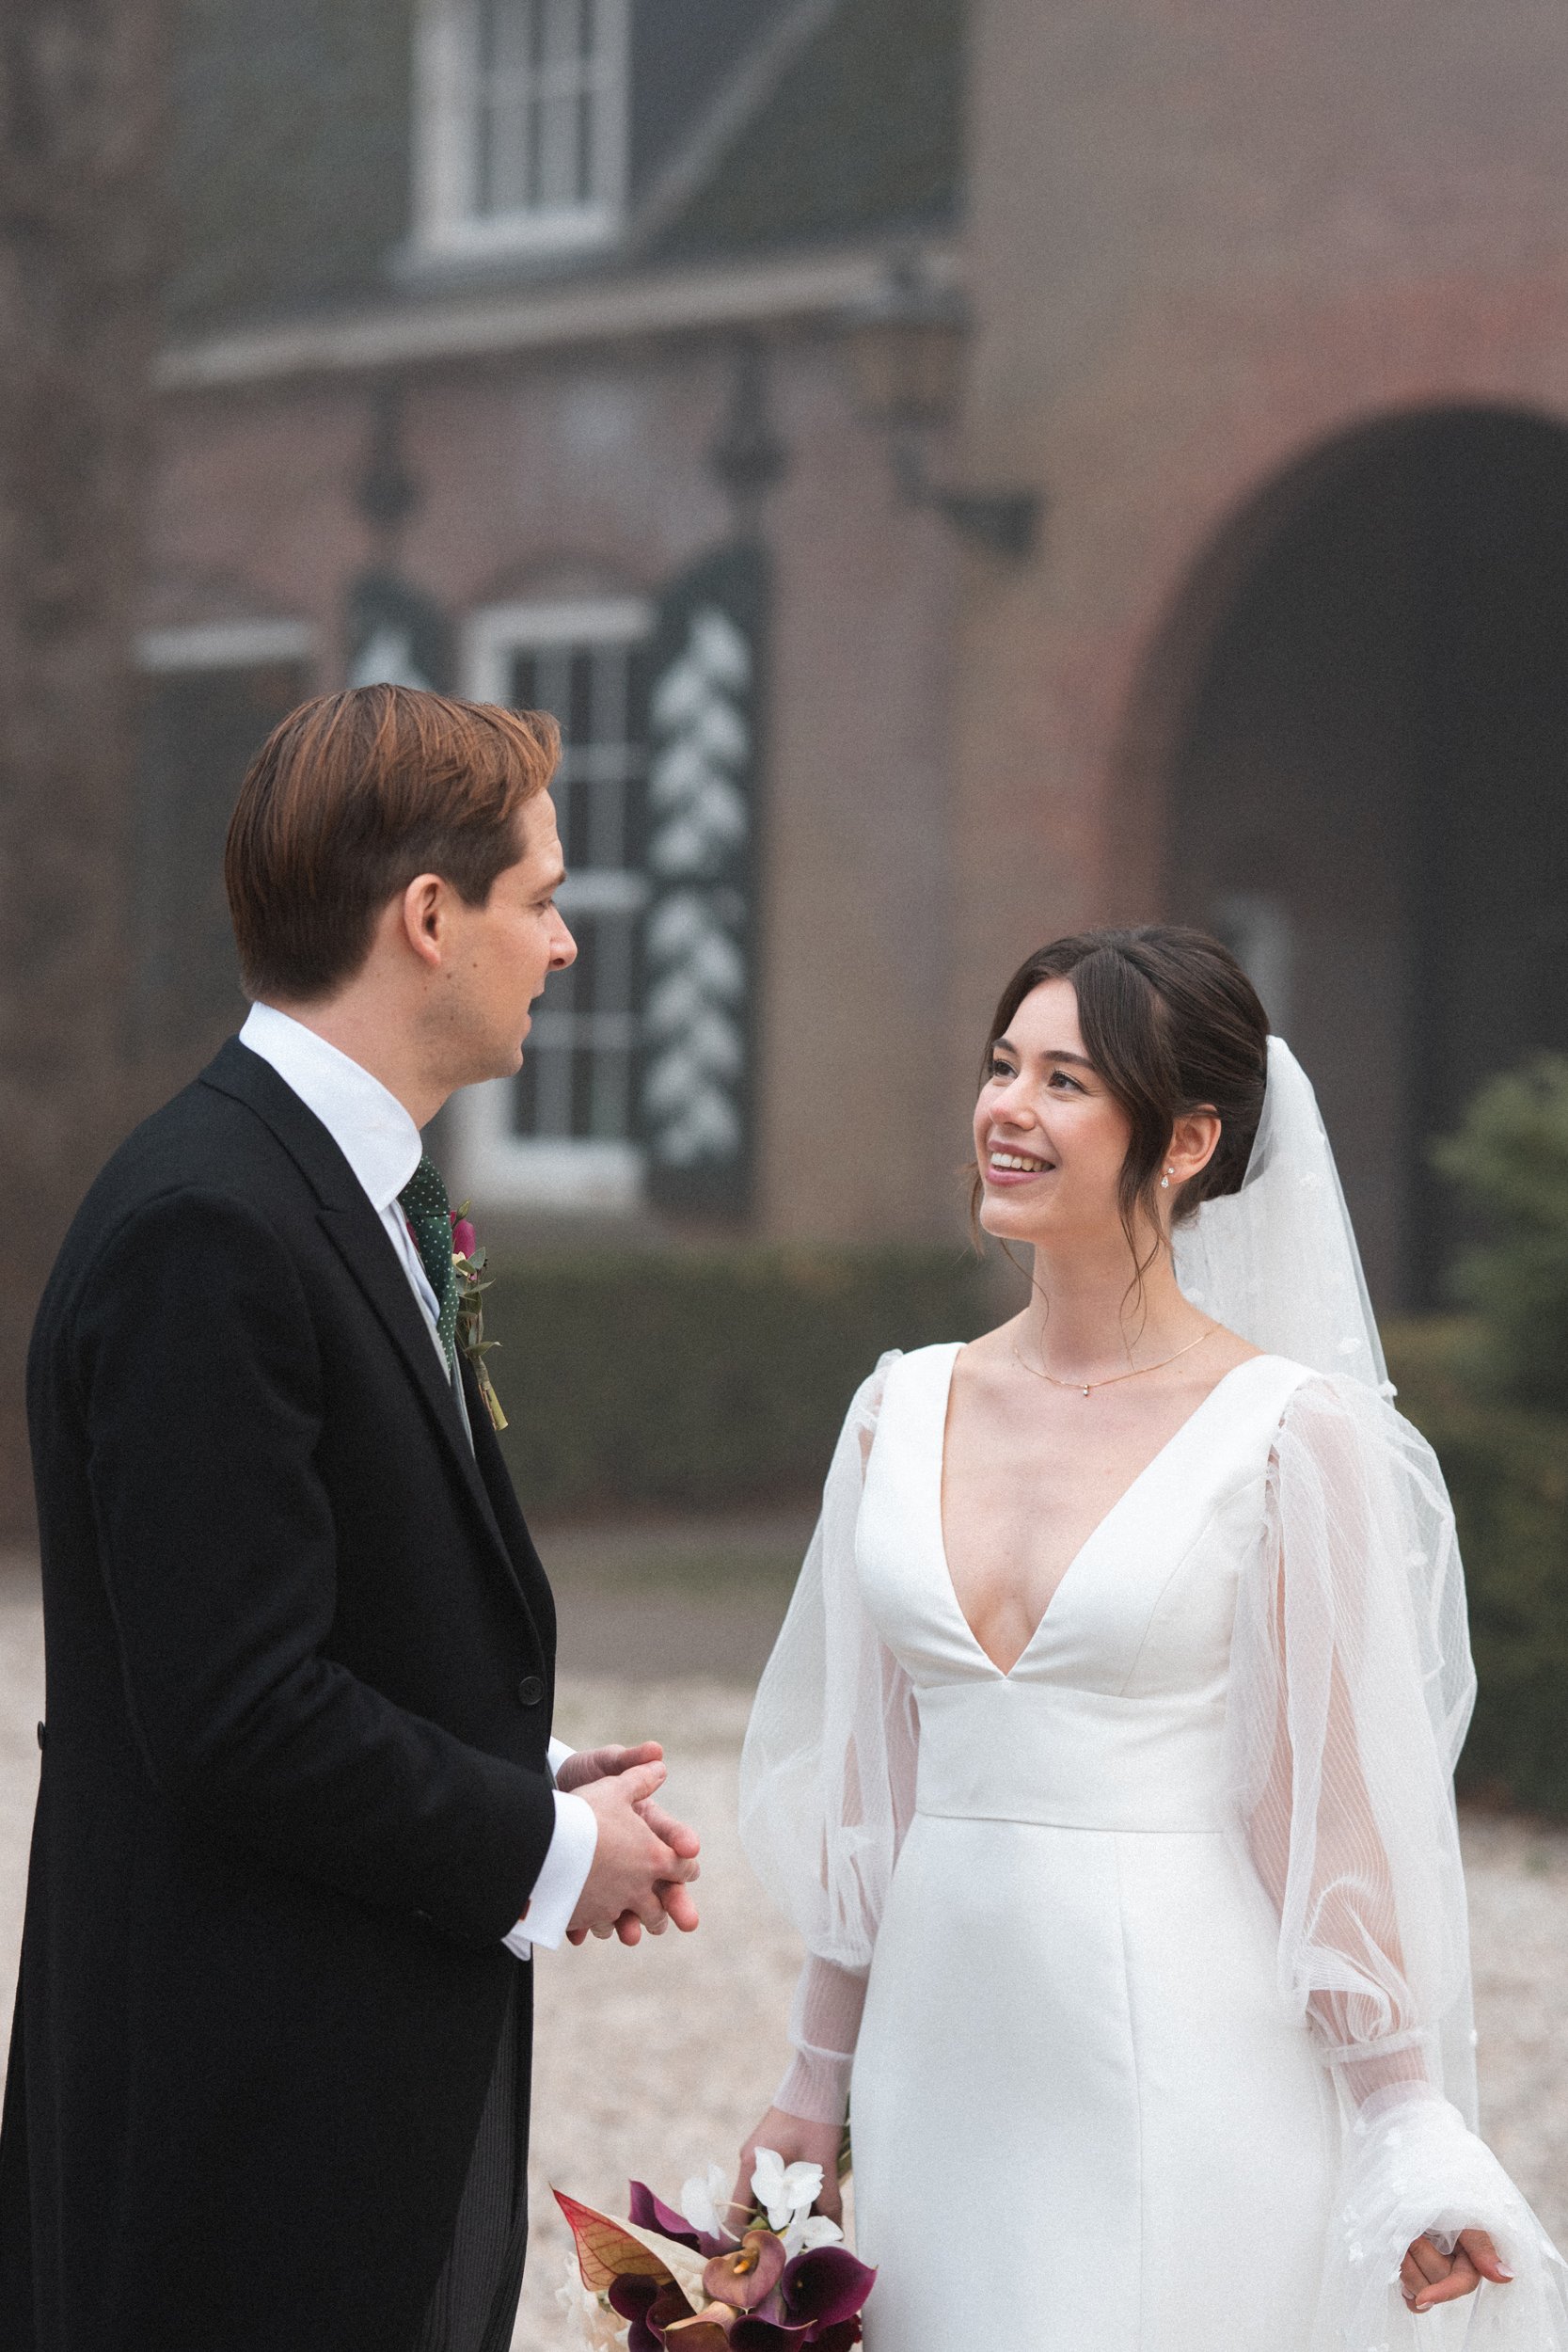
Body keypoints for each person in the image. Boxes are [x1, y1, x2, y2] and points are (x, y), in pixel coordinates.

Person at [737, 927, 1568, 2350]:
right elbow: (866, 1794)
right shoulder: (898, 1408)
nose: (1007, 1109)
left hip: (1184, 2042)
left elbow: (1327, 1809)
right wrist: (816, 2088)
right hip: (941, 2052)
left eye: (1066, 1081)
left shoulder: (1289, 1436)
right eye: (1003, 1066)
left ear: (1185, 1140)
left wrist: (1406, 2124)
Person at [0, 685, 701, 2352]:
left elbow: (311, 1623)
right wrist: (545, 1855)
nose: (567, 946)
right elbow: (232, 1712)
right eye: (542, 899)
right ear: (430, 917)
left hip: (319, 2085)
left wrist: (524, 1778)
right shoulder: (209, 1225)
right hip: (230, 2126)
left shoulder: (346, 1189)